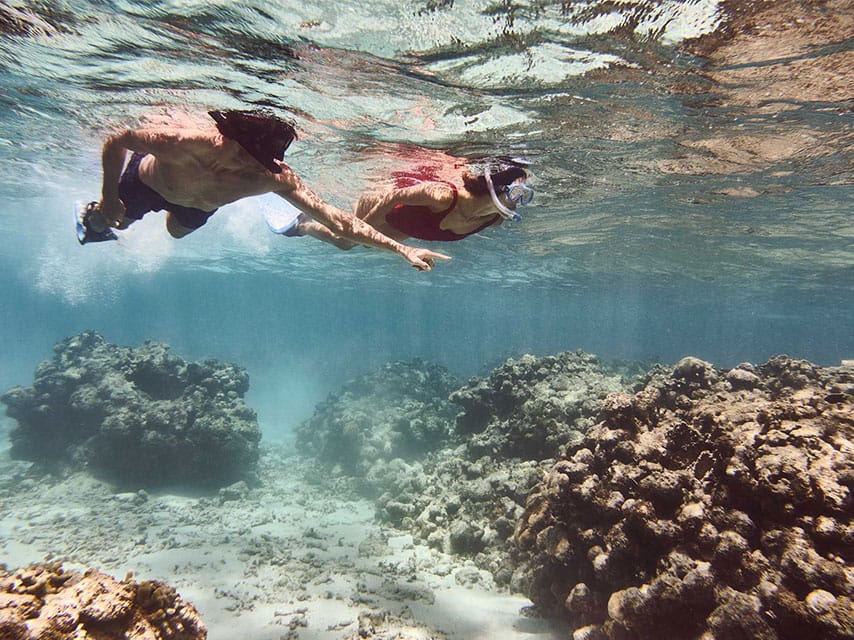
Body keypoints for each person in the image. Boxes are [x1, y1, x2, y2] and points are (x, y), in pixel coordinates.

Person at [76, 109, 451, 271]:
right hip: (146, 183)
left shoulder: (273, 178)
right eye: (248, 156)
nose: (250, 166)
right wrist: (110, 197)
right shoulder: (184, 141)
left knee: (175, 231)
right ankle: (90, 215)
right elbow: (118, 139)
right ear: (229, 138)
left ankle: (138, 216)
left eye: (261, 161)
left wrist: (402, 250)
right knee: (111, 223)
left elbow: (340, 223)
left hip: (197, 205)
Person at [282, 158, 534, 249]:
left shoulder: (495, 218)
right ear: (494, 187)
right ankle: (302, 222)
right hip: (388, 203)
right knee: (346, 242)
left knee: (361, 245)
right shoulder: (444, 196)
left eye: (523, 194)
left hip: (414, 224)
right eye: (516, 192)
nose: (519, 201)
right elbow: (395, 197)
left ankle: (305, 220)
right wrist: (362, 229)